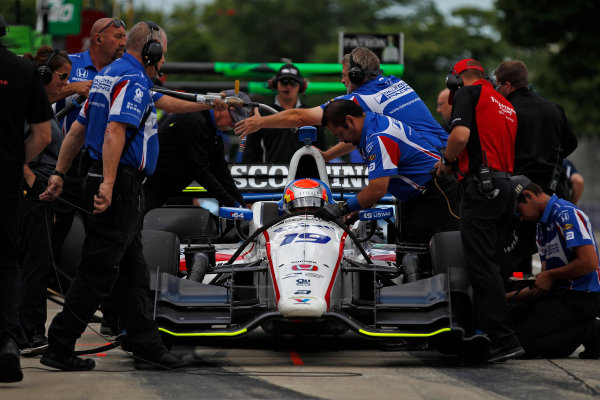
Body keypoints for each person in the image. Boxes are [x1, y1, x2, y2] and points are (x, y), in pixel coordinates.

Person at [39, 21, 229, 371]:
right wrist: (109, 185)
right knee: (99, 269)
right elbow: (114, 131)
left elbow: (77, 130)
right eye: (162, 56)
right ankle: (60, 344)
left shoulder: (107, 75)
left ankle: (145, 344)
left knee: (132, 271)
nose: (162, 64)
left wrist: (60, 174)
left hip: (100, 177)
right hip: (119, 184)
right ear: (151, 52)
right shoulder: (134, 79)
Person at [434, 58, 523, 362]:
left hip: (481, 188)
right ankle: (492, 333)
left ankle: (501, 338)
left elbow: (459, 137)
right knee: (493, 265)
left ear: (455, 80)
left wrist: (446, 162)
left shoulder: (468, 95)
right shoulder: (504, 103)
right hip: (505, 186)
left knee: (482, 267)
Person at [234, 47, 448, 161]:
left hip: (433, 166)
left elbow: (299, 117)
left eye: (345, 75)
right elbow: (357, 134)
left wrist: (260, 123)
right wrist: (327, 156)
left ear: (356, 75)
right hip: (447, 154)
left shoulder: (361, 99)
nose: (342, 80)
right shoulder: (396, 81)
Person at [315, 99, 458, 244]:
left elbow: (377, 189)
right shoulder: (370, 120)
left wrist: (341, 208)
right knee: (410, 253)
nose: (342, 140)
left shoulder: (379, 138)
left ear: (350, 120)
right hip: (419, 195)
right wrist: (327, 156)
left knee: (429, 257)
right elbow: (351, 144)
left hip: (435, 194)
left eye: (340, 134)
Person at [51, 18, 127, 284]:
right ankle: (37, 303)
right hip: (66, 161)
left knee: (102, 236)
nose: (123, 42)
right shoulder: (68, 63)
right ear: (98, 39)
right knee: (53, 233)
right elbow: (39, 92)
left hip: (100, 163)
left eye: (125, 37)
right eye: (117, 36)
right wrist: (74, 87)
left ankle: (106, 311)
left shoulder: (123, 69)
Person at [0, 23, 53, 382]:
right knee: (6, 260)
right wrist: (15, 160)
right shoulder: (22, 69)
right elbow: (44, 135)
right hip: (5, 179)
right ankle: (6, 341)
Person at [494, 60, 578, 279]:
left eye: (497, 85)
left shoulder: (505, 111)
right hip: (553, 192)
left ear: (507, 85)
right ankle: (557, 297)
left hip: (519, 194)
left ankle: (518, 297)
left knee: (516, 258)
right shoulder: (553, 108)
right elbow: (571, 144)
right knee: (558, 252)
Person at [508, 177, 600, 359]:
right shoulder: (541, 226)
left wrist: (549, 276)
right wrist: (504, 298)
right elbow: (544, 281)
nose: (521, 219)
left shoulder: (565, 214)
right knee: (506, 329)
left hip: (582, 297)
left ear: (527, 195)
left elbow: (590, 262)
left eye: (519, 212)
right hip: (558, 295)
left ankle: (590, 330)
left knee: (519, 346)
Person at [18, 47, 71, 358]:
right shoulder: (28, 107)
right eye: (62, 77)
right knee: (33, 266)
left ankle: (26, 330)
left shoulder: (42, 108)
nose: (64, 84)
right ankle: (30, 333)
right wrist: (30, 179)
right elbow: (10, 145)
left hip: (41, 191)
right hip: (33, 191)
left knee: (35, 264)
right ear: (44, 76)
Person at [143, 90, 250, 214]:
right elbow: (200, 170)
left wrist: (240, 203)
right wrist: (232, 203)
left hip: (164, 187)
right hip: (149, 185)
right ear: (222, 108)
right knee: (133, 227)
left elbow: (220, 168)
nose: (233, 126)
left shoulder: (212, 127)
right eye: (233, 120)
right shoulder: (194, 120)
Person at [242, 63, 325, 163]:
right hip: (269, 177)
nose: (288, 86)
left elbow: (321, 152)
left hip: (304, 177)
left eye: (293, 82)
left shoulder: (311, 114)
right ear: (275, 84)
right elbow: (249, 154)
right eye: (284, 82)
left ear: (301, 86)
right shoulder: (261, 114)